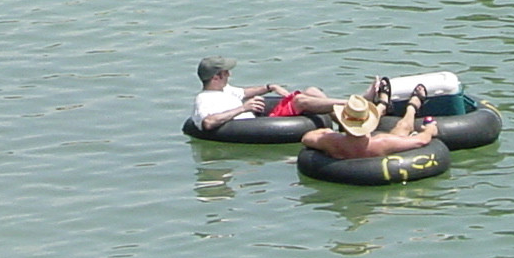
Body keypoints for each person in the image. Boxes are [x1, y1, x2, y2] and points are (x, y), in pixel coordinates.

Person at [189, 58, 346, 131]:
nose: (229, 74)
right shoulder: (204, 99)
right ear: (216, 77)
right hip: (257, 126)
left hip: (261, 119)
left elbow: (245, 92)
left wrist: (270, 87)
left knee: (312, 91)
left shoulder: (224, 89)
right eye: (226, 72)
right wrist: (243, 109)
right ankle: (349, 103)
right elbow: (208, 122)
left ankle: (345, 124)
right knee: (300, 100)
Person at [299, 86, 441, 161]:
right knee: (402, 129)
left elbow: (306, 138)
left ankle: (382, 105)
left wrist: (327, 133)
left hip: (344, 150)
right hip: (376, 153)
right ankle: (412, 106)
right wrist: (430, 129)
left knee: (399, 133)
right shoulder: (383, 142)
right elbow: (422, 141)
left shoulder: (332, 141)